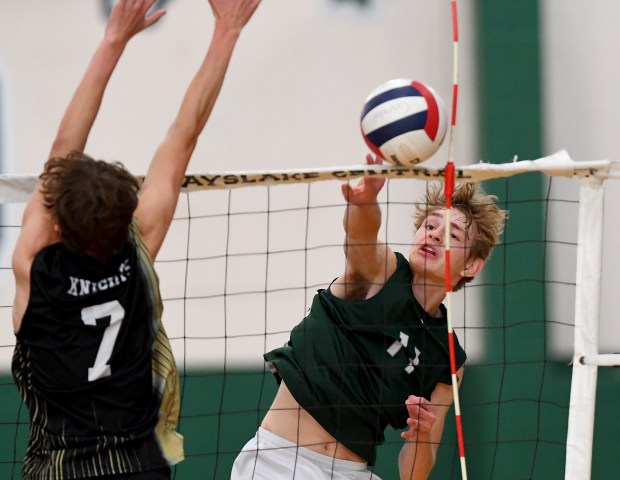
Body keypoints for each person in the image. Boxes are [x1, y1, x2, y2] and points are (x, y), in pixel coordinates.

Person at [11, 0, 260, 478]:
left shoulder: (34, 267)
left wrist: (113, 40)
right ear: (123, 221)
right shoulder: (138, 251)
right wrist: (227, 31)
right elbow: (182, 136)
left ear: (57, 226)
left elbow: (63, 149)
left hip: (60, 470)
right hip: (139, 467)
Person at [232, 154, 507, 480]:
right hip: (279, 464)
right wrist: (365, 202)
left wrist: (421, 434)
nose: (433, 234)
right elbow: (361, 240)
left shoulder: (447, 356)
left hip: (353, 473)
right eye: (429, 225)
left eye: (453, 236)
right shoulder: (383, 272)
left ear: (471, 266)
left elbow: (414, 474)